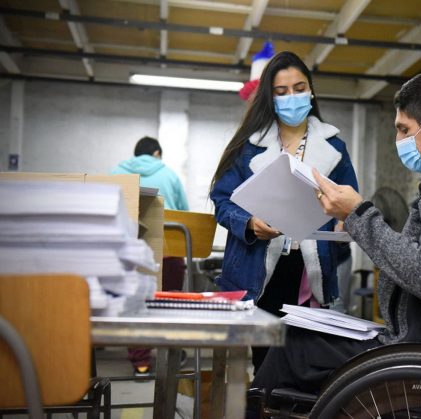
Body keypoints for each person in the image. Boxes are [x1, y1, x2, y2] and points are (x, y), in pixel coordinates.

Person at [250, 70, 421, 397]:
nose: (398, 139)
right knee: (297, 333)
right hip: (413, 343)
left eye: (404, 129)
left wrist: (358, 214)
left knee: (291, 345)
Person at [209, 51, 358, 372]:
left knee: (306, 364)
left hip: (311, 271)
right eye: (282, 91)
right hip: (257, 270)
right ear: (270, 97)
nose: (292, 97)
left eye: (299, 88)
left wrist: (344, 221)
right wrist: (249, 223)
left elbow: (350, 202)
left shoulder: (334, 147)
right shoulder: (249, 145)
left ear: (311, 91)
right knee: (264, 365)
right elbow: (221, 200)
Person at [111, 136, 190, 376]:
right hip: (167, 250)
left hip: (129, 252)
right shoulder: (169, 175)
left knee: (134, 303)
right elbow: (185, 215)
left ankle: (141, 363)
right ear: (157, 153)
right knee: (170, 300)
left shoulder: (115, 173)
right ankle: (171, 352)